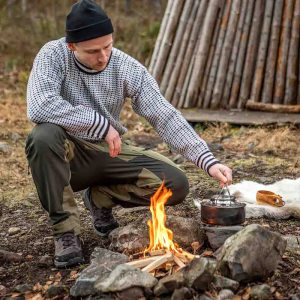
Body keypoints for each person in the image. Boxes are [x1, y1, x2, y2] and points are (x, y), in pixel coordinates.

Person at [26, 0, 232, 268]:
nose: (103, 57)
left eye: (107, 46)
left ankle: (99, 198)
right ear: (72, 46)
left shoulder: (126, 67)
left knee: (176, 184)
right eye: (93, 51)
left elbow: (164, 115)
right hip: (65, 156)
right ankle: (66, 232)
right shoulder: (52, 55)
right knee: (42, 137)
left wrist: (209, 160)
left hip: (108, 151)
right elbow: (39, 104)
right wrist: (97, 122)